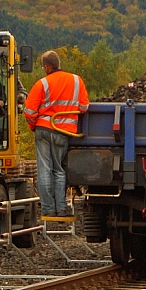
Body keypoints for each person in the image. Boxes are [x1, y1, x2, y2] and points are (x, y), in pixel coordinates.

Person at [23, 50, 89, 217]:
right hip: (63, 132)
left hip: (44, 130)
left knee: (44, 169)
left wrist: (34, 126)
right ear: (58, 63)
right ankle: (61, 208)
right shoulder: (76, 81)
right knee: (59, 170)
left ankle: (48, 209)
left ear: (46, 67)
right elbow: (84, 107)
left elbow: (29, 111)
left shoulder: (42, 84)